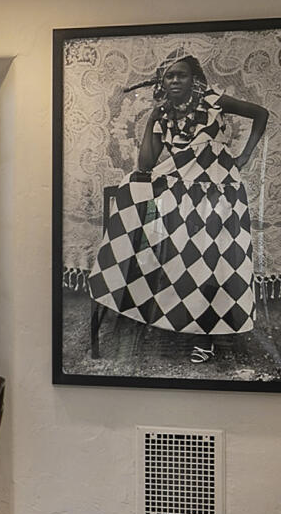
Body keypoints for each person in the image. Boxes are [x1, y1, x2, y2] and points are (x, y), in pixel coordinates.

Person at [87, 51, 269, 365]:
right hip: (180, 185)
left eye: (181, 75)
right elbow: (145, 163)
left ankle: (206, 334)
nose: (174, 81)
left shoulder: (213, 100)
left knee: (209, 254)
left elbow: (261, 114)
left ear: (194, 79)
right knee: (136, 196)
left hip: (216, 188)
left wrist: (245, 156)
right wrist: (152, 119)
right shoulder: (163, 114)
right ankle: (144, 301)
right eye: (169, 76)